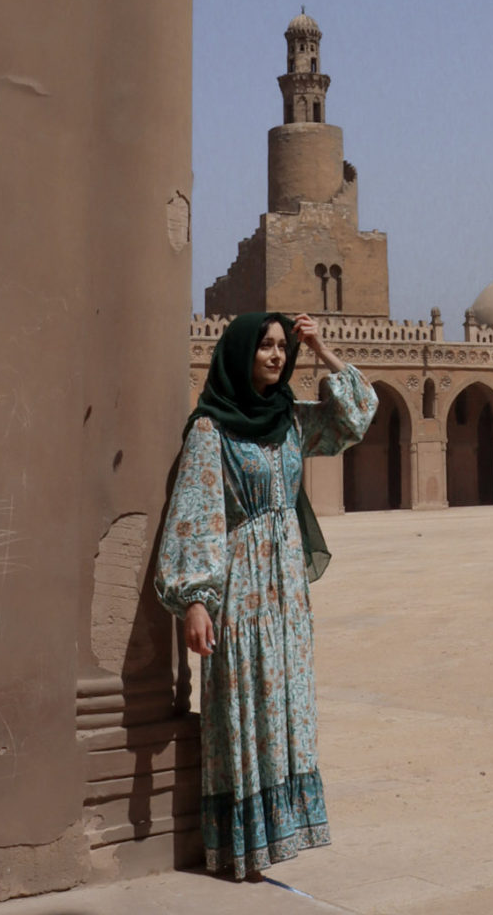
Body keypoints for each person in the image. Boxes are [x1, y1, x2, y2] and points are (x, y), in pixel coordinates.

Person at [155, 310, 377, 880]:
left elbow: (355, 417)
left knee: (285, 702)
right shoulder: (211, 430)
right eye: (265, 347)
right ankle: (240, 845)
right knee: (243, 701)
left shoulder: (289, 422)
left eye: (283, 347)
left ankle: (279, 835)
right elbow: (196, 514)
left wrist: (323, 350)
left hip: (287, 593)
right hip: (242, 590)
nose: (277, 356)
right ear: (240, 354)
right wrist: (196, 599)